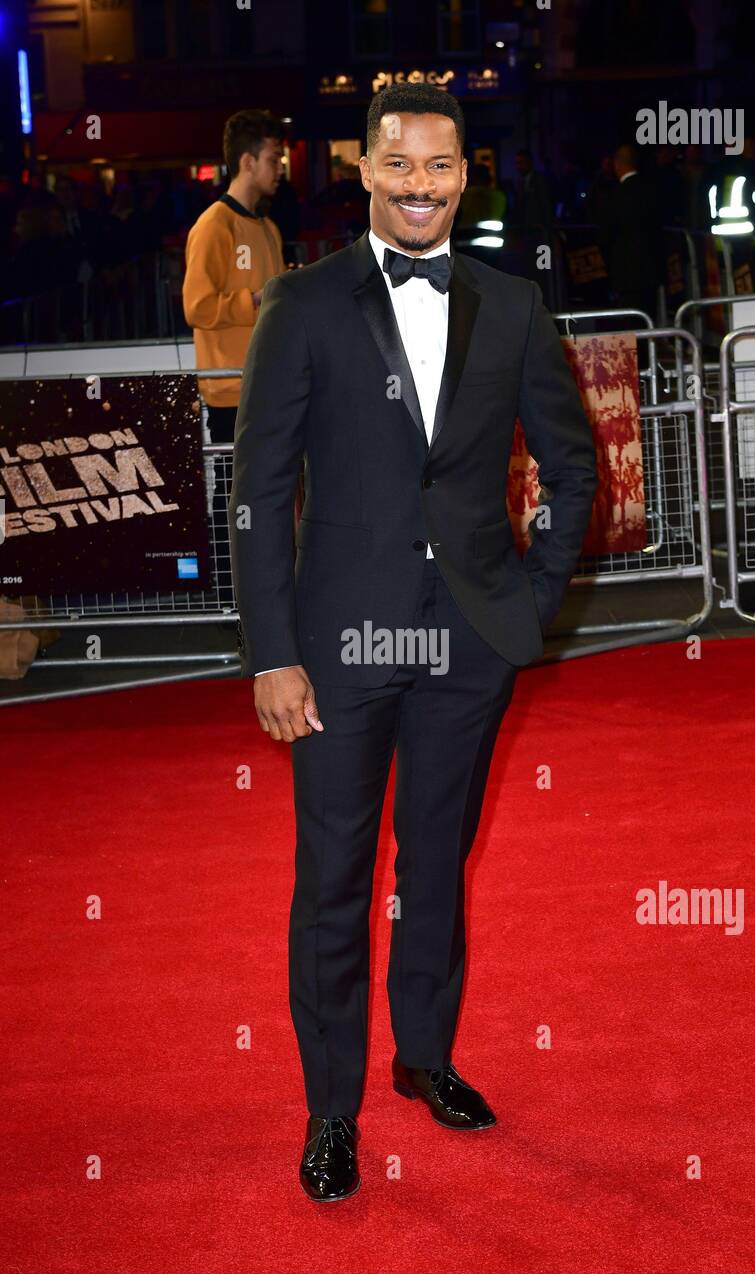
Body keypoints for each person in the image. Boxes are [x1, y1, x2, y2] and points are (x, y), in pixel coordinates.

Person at [230, 83, 597, 1202]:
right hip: (336, 648)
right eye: (400, 168)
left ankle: (425, 1059)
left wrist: (530, 602)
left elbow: (572, 465)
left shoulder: (513, 302)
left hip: (469, 644)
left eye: (440, 168)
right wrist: (270, 650)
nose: (421, 187)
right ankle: (329, 1111)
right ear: (365, 170)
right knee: (333, 879)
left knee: (434, 866)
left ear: (463, 173)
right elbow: (257, 488)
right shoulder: (301, 301)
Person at [183, 109, 285, 446]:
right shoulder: (215, 225)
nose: (281, 167)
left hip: (269, 383)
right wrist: (253, 301)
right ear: (248, 162)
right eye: (274, 159)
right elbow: (196, 308)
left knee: (272, 492)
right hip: (232, 390)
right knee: (233, 493)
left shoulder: (268, 228)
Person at [598, 143, 661, 319]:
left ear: (617, 164)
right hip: (650, 268)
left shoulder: (615, 195)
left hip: (625, 272)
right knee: (648, 319)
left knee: (629, 322)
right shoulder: (651, 190)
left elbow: (607, 233)